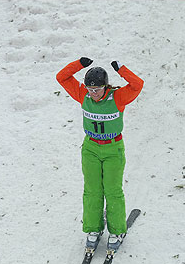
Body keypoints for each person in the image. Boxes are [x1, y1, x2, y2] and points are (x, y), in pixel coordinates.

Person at [56, 56, 144, 252]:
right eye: (90, 89)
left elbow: (137, 85)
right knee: (92, 190)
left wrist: (121, 69)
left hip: (113, 148)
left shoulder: (118, 97)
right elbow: (62, 77)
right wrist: (78, 64)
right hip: (91, 148)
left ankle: (117, 230)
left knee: (112, 191)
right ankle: (93, 229)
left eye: (97, 89)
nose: (93, 93)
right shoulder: (83, 95)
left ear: (106, 87)